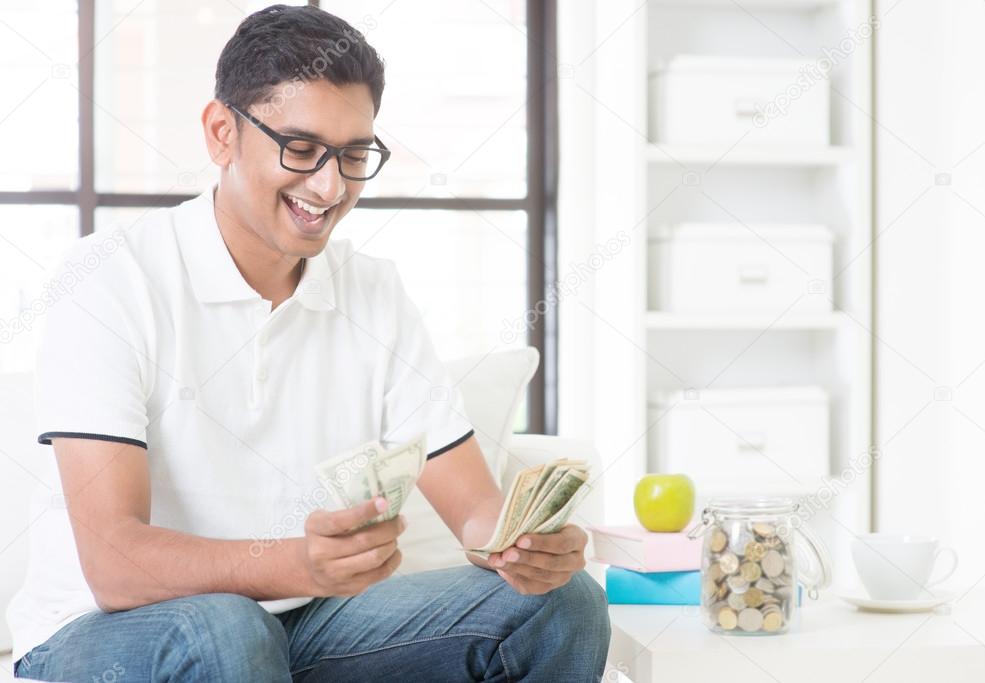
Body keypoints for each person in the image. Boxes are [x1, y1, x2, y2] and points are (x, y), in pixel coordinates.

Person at [6, 5, 610, 681]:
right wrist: (299, 561)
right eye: (301, 148)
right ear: (220, 133)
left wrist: (523, 545)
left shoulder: (373, 291)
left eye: (354, 154)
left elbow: (472, 507)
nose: (330, 186)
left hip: (302, 625)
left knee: (560, 603)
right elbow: (114, 560)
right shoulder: (110, 278)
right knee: (226, 626)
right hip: (108, 629)